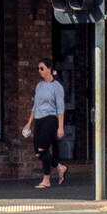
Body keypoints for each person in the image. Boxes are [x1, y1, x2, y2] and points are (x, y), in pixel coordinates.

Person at [21, 58, 66, 189]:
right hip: (39, 119)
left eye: (42, 68)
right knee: (38, 152)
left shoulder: (57, 87)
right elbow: (35, 105)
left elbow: (60, 108)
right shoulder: (39, 86)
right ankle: (59, 166)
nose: (39, 71)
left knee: (43, 148)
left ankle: (46, 179)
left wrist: (61, 127)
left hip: (50, 119)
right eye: (38, 69)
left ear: (49, 69)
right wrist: (29, 123)